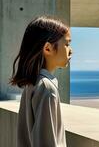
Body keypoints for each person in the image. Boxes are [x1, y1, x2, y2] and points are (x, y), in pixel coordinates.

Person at [9, 15, 73, 147]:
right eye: (67, 44)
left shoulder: (32, 84)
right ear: (48, 48)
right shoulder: (46, 88)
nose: (70, 50)